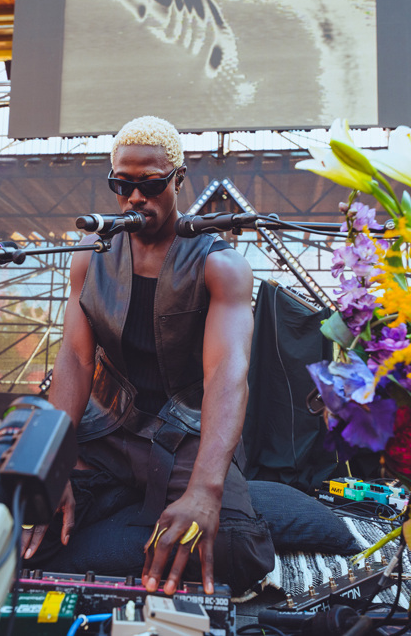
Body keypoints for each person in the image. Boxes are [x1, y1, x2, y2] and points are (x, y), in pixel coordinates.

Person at [21, 116, 274, 596]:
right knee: (23, 518)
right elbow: (74, 360)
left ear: (178, 179)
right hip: (109, 432)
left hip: (188, 437)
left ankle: (141, 504)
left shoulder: (221, 265)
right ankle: (126, 501)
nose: (135, 198)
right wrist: (51, 464)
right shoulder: (89, 257)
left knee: (235, 547)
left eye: (151, 184)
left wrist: (205, 490)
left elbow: (227, 374)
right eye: (122, 185)